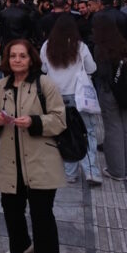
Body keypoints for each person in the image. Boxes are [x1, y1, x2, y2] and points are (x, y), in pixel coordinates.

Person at [0, 39, 66, 253]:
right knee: (11, 211)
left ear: (31, 59)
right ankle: (20, 248)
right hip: (10, 161)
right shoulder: (0, 86)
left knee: (42, 217)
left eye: (22, 56)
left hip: (40, 161)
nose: (17, 60)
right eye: (13, 56)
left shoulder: (45, 84)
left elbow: (60, 119)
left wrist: (34, 121)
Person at [40, 15, 101, 186]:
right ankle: (91, 171)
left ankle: (70, 173)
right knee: (86, 131)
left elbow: (43, 68)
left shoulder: (47, 46)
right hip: (78, 95)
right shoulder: (80, 46)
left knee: (64, 134)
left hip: (55, 95)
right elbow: (92, 68)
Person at [92, 19, 127, 182]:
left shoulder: (101, 48)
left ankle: (116, 170)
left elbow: (101, 72)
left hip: (110, 91)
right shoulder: (123, 45)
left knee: (112, 128)